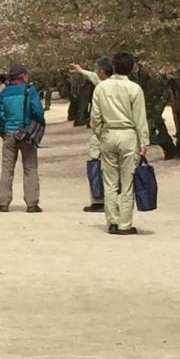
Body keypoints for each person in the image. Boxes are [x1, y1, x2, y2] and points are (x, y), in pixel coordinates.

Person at [89, 51, 149, 236]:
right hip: (128, 135)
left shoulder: (101, 88)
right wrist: (144, 141)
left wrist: (100, 133)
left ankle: (112, 221)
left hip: (108, 133)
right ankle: (125, 223)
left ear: (113, 66)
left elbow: (95, 116)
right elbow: (140, 117)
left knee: (109, 182)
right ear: (131, 68)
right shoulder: (135, 89)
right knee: (127, 181)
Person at [0, 63, 45, 213]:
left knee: (7, 168)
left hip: (9, 133)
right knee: (30, 167)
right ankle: (32, 203)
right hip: (27, 134)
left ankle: (3, 202)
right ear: (23, 76)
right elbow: (38, 112)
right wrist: (37, 127)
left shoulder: (4, 93)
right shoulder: (30, 90)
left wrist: (3, 131)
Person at [69, 56, 114, 213]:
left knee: (96, 164)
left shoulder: (102, 88)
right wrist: (82, 71)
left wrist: (96, 129)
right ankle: (113, 200)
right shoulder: (127, 87)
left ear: (102, 71)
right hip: (120, 133)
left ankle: (98, 199)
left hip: (102, 132)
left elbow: (95, 116)